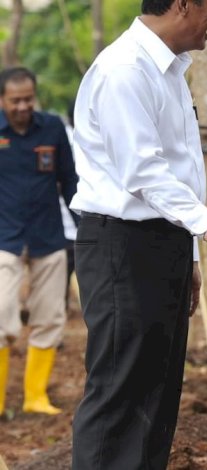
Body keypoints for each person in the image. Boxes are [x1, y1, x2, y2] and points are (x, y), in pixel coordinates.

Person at [69, 1, 207, 468]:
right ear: (182, 4)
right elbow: (143, 171)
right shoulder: (124, 69)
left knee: (157, 389)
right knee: (120, 389)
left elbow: (179, 171)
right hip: (120, 246)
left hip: (161, 241)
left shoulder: (167, 71)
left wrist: (186, 253)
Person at [0, 67, 78, 416]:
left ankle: (35, 397)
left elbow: (69, 181)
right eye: (15, 100)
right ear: (2, 100)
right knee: (0, 316)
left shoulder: (52, 128)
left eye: (28, 99)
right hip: (5, 237)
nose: (22, 106)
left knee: (50, 317)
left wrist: (84, 228)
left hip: (49, 237)